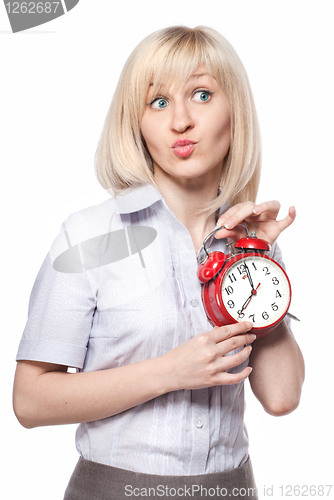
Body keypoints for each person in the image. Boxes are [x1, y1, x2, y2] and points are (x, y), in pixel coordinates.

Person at [13, 25, 305, 500]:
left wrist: (259, 260)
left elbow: (282, 397)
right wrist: (169, 372)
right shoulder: (89, 236)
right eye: (159, 102)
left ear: (235, 113)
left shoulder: (248, 239)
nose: (181, 121)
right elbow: (29, 401)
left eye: (203, 94)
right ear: (137, 122)